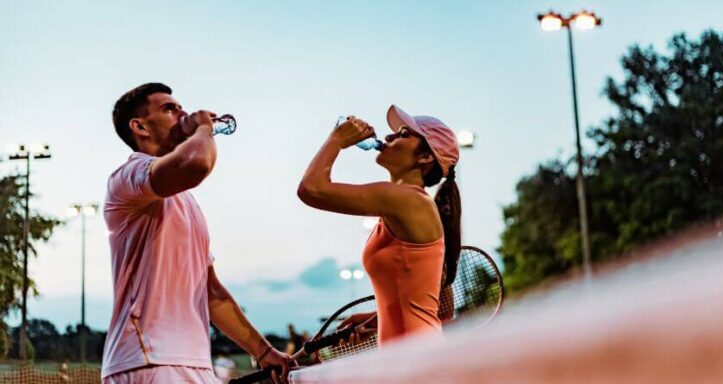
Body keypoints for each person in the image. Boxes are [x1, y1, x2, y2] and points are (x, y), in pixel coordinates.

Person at [101, 83, 292, 383]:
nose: (182, 113)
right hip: (148, 358)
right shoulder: (128, 177)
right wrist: (203, 129)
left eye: (181, 107)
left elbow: (211, 292)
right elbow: (197, 163)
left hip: (194, 362)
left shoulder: (185, 200)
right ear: (139, 126)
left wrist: (265, 351)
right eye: (169, 109)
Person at [297, 105, 462, 344]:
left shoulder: (407, 200)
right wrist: (376, 319)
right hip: (413, 358)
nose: (388, 137)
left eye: (403, 134)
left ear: (425, 157)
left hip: (414, 362)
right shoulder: (408, 204)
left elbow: (311, 189)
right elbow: (425, 303)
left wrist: (336, 139)